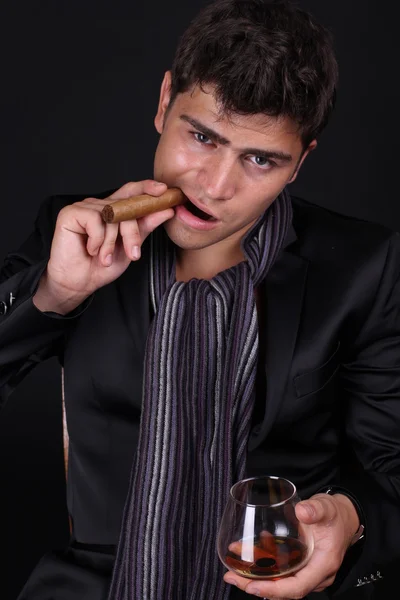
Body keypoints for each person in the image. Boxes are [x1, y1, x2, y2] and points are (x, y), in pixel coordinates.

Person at [1, 0, 399, 598]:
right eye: (201, 137)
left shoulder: (365, 266)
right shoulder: (73, 229)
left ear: (301, 162)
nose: (216, 186)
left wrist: (351, 518)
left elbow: (391, 469)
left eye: (260, 159)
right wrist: (55, 294)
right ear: (164, 102)